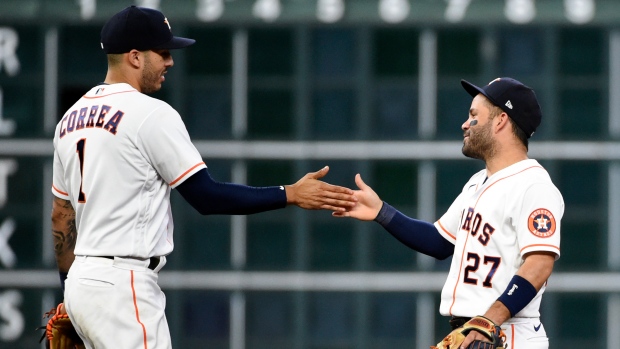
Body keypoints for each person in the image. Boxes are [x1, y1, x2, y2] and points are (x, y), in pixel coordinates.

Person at [50, 5, 356, 349]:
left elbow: (61, 216)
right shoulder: (149, 114)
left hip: (81, 283)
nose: (170, 61)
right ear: (135, 57)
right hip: (124, 284)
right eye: (163, 52)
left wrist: (70, 290)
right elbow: (206, 197)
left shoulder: (69, 121)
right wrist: (290, 193)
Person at [335, 77, 563, 348]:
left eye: (474, 115)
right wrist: (381, 212)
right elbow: (439, 241)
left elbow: (540, 264)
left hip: (507, 334)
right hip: (476, 331)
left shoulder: (533, 185)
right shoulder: (478, 182)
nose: (465, 124)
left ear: (501, 120)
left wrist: (491, 319)